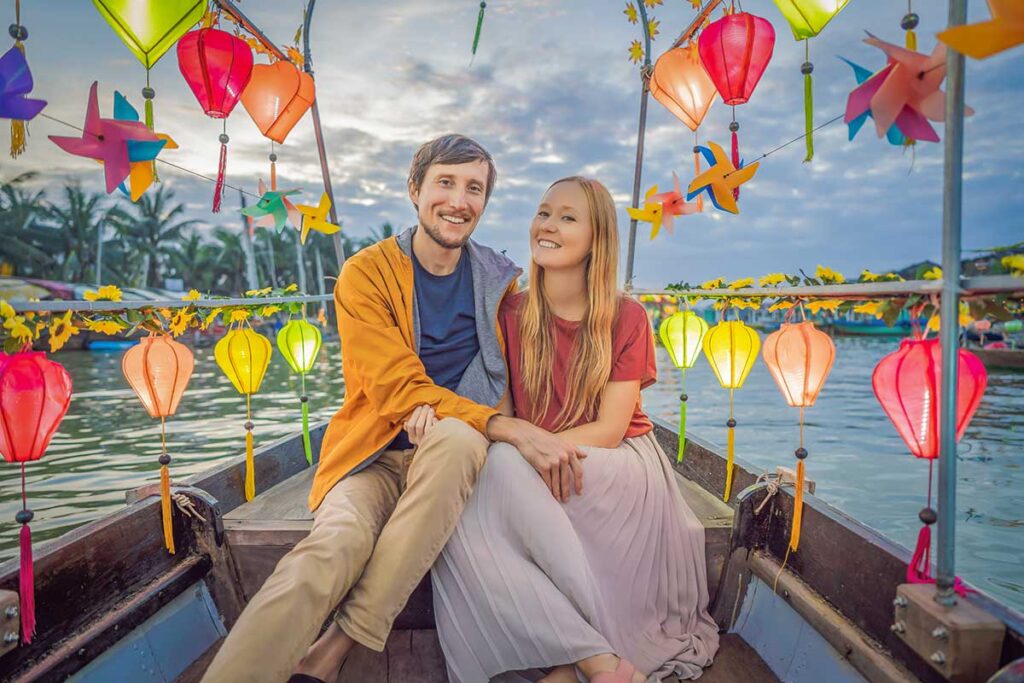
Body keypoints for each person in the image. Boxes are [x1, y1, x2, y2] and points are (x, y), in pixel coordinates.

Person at [203, 134, 587, 683]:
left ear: (484, 202)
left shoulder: (499, 285)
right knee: (333, 547)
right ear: (415, 190)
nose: (459, 200)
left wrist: (472, 421)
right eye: (446, 183)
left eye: (474, 188)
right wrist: (499, 425)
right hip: (374, 455)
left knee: (456, 440)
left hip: (457, 460)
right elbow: (393, 385)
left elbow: (528, 362)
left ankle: (334, 647)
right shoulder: (366, 274)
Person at [430, 177, 720, 682]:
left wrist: (532, 445)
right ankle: (584, 657)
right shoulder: (509, 312)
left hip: (616, 462)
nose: (548, 225)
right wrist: (522, 443)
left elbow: (610, 429)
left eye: (567, 217)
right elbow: (504, 416)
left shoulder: (626, 316)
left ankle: (570, 662)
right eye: (544, 213)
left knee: (503, 469)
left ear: (596, 237)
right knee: (458, 513)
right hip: (530, 460)